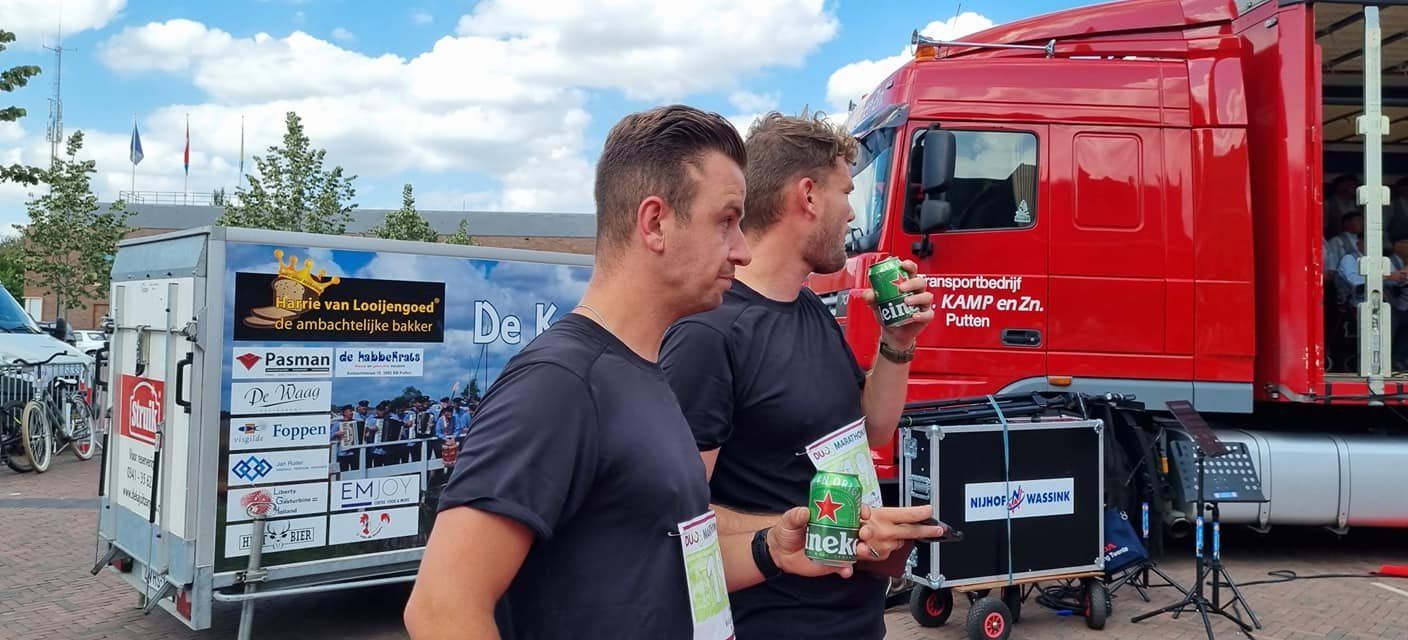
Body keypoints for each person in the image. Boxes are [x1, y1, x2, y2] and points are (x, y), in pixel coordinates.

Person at [406, 105, 875, 640]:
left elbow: (660, 560)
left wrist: (769, 551)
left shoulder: (643, 371)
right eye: (725, 221)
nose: (742, 250)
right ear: (655, 223)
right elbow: (441, 610)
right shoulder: (559, 384)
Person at [660, 111, 942, 639]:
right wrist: (835, 528)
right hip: (773, 623)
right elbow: (675, 517)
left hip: (854, 617)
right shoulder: (709, 334)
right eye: (846, 192)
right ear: (808, 196)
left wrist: (898, 343)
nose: (851, 211)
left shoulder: (809, 308)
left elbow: (873, 430)